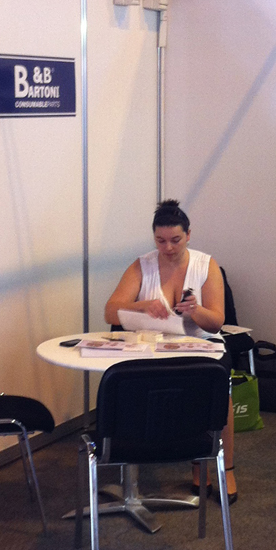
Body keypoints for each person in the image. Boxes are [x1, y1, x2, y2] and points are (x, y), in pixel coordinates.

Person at [104, 199, 237, 504]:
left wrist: (196, 310)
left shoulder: (206, 265)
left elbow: (217, 322)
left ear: (188, 235)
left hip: (202, 343)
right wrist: (142, 305)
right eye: (160, 240)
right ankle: (171, 456)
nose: (168, 247)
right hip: (157, 345)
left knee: (219, 390)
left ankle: (225, 468)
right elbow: (110, 312)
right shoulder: (142, 265)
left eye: (175, 240)